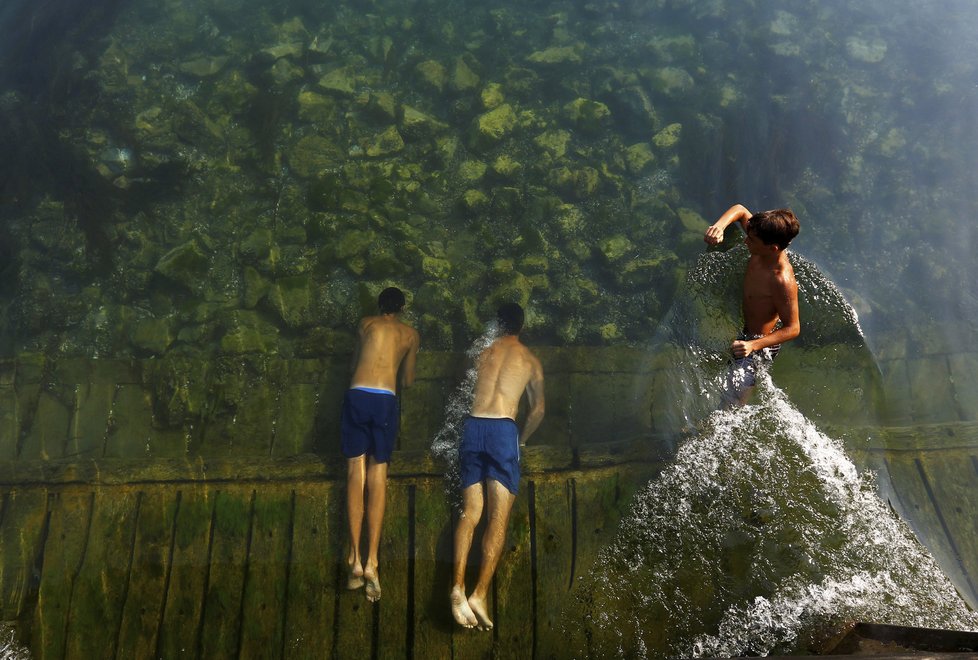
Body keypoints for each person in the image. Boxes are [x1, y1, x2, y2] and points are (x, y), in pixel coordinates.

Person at [451, 302, 545, 631]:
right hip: (503, 431)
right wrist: (521, 440)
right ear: (521, 328)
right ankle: (479, 594)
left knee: (470, 513)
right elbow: (537, 411)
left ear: (498, 325)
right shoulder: (530, 360)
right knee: (498, 520)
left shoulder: (482, 352)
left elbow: (465, 389)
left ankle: (457, 587)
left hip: (473, 428)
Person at [342, 286, 420, 602]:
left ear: (378, 305)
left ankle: (353, 559)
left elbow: (352, 365)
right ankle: (372, 559)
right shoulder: (410, 334)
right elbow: (408, 381)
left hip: (357, 394)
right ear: (401, 308)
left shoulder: (365, 324)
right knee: (379, 475)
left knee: (354, 472)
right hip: (385, 401)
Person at [704, 204, 801, 405]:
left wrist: (751, 345)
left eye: (751, 240)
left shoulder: (781, 280)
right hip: (744, 334)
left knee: (731, 404)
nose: (745, 240)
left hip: (759, 344)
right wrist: (720, 227)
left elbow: (793, 328)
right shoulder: (762, 239)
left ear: (772, 248)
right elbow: (739, 209)